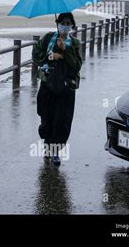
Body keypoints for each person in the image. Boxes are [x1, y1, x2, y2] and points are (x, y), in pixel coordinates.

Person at [31, 12, 82, 166]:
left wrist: (64, 52)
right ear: (57, 23)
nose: (65, 26)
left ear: (72, 25)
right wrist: (51, 57)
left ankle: (55, 152)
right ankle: (47, 142)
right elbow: (36, 54)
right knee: (46, 116)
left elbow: (77, 66)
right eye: (63, 22)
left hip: (67, 86)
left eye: (68, 23)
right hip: (48, 83)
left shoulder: (74, 44)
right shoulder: (48, 38)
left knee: (62, 120)